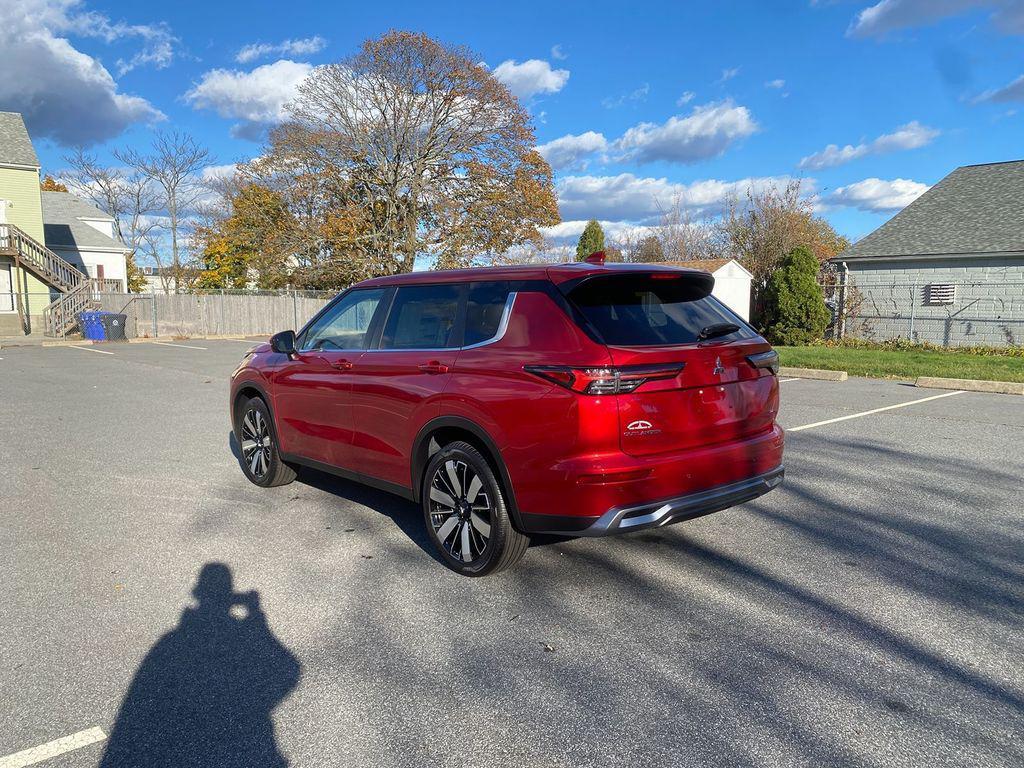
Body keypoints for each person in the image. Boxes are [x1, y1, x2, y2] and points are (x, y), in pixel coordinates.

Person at [100, 563, 300, 767]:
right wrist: (256, 615)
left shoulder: (172, 640)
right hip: (237, 741)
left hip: (178, 744)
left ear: (198, 593)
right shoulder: (231, 634)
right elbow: (289, 668)